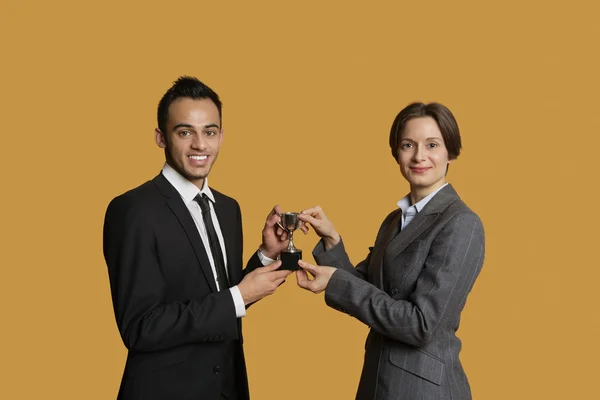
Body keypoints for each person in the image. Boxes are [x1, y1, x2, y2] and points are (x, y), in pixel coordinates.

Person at [103, 76, 295, 400]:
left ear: (221, 135)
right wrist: (238, 297)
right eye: (184, 132)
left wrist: (265, 254)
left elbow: (219, 293)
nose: (200, 145)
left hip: (226, 388)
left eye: (210, 131)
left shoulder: (228, 209)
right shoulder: (132, 210)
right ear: (161, 138)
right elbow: (140, 327)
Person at [296, 102, 485, 400]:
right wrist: (332, 241)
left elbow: (421, 325)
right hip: (379, 383)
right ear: (396, 153)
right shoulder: (395, 220)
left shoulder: (462, 223)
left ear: (450, 152)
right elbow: (366, 292)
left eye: (432, 145)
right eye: (408, 145)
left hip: (423, 391)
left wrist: (336, 281)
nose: (419, 156)